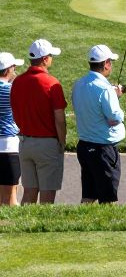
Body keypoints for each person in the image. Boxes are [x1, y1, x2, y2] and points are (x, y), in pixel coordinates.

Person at [10, 39, 67, 205]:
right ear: (44, 59)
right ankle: (42, 229)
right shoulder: (52, 83)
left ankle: (24, 228)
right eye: (50, 56)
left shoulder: (17, 82)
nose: (51, 59)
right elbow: (59, 119)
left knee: (29, 192)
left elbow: (16, 113)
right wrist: (61, 142)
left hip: (25, 143)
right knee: (47, 197)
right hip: (47, 145)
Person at [70, 44, 125, 204]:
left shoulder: (78, 84)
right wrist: (115, 99)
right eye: (111, 62)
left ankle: (83, 225)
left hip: (85, 147)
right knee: (109, 198)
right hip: (103, 150)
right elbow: (115, 117)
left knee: (88, 195)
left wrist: (113, 97)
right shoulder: (105, 89)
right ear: (106, 63)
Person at [0, 51, 24, 206]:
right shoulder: (12, 90)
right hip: (8, 148)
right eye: (14, 67)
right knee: (10, 198)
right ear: (8, 70)